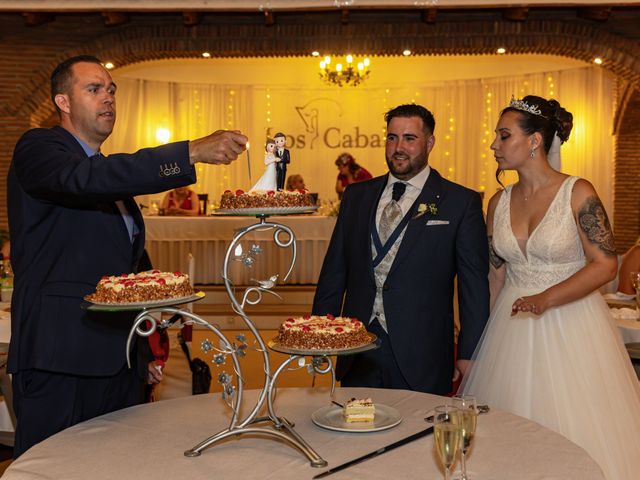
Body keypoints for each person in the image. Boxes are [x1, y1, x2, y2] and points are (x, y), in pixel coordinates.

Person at [7, 55, 247, 457]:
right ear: (63, 102)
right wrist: (188, 152)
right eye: (94, 89)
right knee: (51, 467)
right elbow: (83, 182)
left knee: (118, 464)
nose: (108, 98)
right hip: (61, 355)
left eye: (112, 89)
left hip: (120, 358)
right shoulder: (40, 148)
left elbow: (128, 268)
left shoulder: (106, 172)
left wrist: (152, 338)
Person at [459, 95, 640, 480]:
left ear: (535, 141)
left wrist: (546, 298)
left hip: (571, 324)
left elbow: (606, 265)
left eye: (504, 135)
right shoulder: (498, 202)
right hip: (510, 326)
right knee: (508, 431)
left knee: (573, 424)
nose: (494, 145)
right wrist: (479, 341)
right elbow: (495, 276)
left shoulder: (578, 192)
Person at [312, 104, 489, 395]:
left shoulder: (460, 202)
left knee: (419, 436)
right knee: (355, 433)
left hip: (424, 352)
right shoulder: (357, 196)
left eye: (409, 138)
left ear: (429, 143)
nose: (398, 147)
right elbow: (335, 270)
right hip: (357, 349)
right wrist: (319, 335)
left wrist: (469, 352)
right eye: (392, 138)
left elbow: (473, 287)